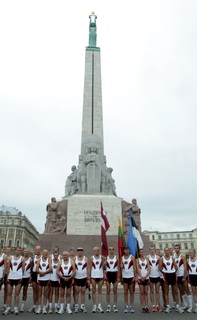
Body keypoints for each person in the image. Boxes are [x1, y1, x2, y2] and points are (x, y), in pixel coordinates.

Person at [159, 247, 183, 313]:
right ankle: (167, 306)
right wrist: (165, 272)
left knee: (175, 291)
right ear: (164, 251)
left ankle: (177, 305)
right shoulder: (162, 258)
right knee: (166, 292)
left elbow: (176, 267)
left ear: (169, 251)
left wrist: (173, 271)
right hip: (166, 275)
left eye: (167, 250)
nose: (166, 252)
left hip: (173, 275)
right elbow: (160, 268)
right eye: (165, 250)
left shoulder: (172, 258)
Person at [3, 246, 25, 315]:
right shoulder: (10, 258)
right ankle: (8, 308)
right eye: (17, 250)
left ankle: (15, 308)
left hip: (18, 278)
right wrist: (6, 277)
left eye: (19, 250)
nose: (18, 251)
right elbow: (7, 268)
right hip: (10, 277)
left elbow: (23, 269)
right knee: (9, 293)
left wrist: (20, 275)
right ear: (14, 251)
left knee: (17, 293)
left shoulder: (22, 258)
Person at [174, 244, 192, 312]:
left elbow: (185, 266)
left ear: (179, 249)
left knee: (187, 290)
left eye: (177, 248)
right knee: (181, 291)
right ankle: (185, 305)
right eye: (175, 248)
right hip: (177, 276)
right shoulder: (174, 256)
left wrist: (184, 276)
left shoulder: (183, 256)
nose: (176, 249)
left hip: (183, 275)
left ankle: (190, 306)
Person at [88, 246, 105, 313]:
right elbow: (89, 268)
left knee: (100, 291)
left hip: (100, 275)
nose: (96, 251)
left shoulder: (102, 258)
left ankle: (99, 306)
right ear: (93, 251)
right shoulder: (91, 258)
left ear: (99, 251)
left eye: (97, 250)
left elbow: (104, 268)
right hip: (93, 276)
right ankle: (94, 305)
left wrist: (104, 263)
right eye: (95, 250)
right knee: (94, 290)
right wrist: (88, 278)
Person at [147, 246, 163, 312]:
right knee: (151, 291)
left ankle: (157, 305)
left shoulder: (158, 257)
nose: (152, 251)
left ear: (155, 250)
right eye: (151, 249)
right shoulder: (147, 257)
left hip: (157, 275)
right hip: (150, 276)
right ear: (149, 250)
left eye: (153, 249)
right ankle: (153, 305)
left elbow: (161, 267)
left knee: (157, 291)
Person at [121, 246, 136, 313]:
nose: (126, 251)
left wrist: (135, 276)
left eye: (127, 250)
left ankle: (131, 306)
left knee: (131, 292)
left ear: (129, 250)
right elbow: (121, 268)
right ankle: (126, 306)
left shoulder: (132, 257)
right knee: (125, 292)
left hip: (131, 276)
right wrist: (120, 276)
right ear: (124, 251)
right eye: (125, 250)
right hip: (125, 277)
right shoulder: (122, 258)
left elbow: (135, 267)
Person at [36, 249, 52, 314]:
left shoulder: (49, 260)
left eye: (47, 253)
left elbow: (51, 269)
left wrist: (44, 273)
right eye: (45, 253)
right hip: (40, 279)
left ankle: (44, 307)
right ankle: (39, 307)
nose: (46, 254)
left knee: (45, 294)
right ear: (42, 253)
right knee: (39, 293)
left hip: (47, 278)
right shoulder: (39, 260)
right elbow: (36, 269)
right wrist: (41, 273)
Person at [73, 247, 89, 313]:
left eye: (81, 251)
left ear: (82, 252)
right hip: (76, 277)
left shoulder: (86, 259)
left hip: (84, 277)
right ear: (77, 252)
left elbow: (88, 269)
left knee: (83, 291)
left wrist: (88, 278)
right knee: (76, 291)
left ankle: (82, 306)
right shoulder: (74, 259)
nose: (79, 252)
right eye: (78, 251)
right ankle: (76, 306)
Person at [28, 245, 42, 313]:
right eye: (36, 250)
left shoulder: (42, 257)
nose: (37, 251)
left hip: (39, 274)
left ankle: (38, 305)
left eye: (38, 250)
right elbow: (31, 266)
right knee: (34, 290)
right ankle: (34, 306)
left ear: (40, 250)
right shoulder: (34, 257)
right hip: (34, 274)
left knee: (39, 291)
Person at [137, 249, 150, 313]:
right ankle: (142, 306)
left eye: (143, 252)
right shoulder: (137, 260)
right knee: (141, 292)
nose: (142, 253)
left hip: (146, 278)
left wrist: (145, 276)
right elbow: (137, 269)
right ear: (139, 253)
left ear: (144, 253)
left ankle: (146, 306)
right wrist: (141, 276)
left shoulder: (147, 260)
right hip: (140, 278)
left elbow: (149, 269)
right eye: (141, 252)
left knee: (146, 293)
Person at [105, 246, 118, 312]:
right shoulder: (106, 258)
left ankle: (115, 305)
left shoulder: (117, 257)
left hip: (115, 274)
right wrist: (104, 265)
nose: (111, 250)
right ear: (108, 250)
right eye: (110, 249)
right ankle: (108, 305)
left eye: (112, 249)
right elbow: (104, 268)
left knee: (115, 291)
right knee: (108, 291)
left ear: (114, 250)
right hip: (108, 274)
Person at [20, 248, 32, 312]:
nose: (26, 252)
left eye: (27, 251)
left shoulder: (31, 260)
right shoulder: (20, 258)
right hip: (19, 277)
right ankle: (16, 306)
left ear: (29, 253)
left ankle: (22, 305)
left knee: (25, 292)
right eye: (25, 251)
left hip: (26, 277)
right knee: (17, 292)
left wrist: (30, 277)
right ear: (23, 252)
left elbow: (32, 269)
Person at [187, 249, 197, 313]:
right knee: (194, 292)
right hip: (191, 276)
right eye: (189, 253)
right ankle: (196, 305)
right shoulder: (188, 260)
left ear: (194, 253)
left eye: (191, 253)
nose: (190, 254)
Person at [3, 246, 11, 310]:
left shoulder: (11, 258)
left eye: (9, 249)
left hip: (8, 275)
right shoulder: (3, 257)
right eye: (7, 249)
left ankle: (5, 304)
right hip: (2, 274)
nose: (8, 251)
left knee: (6, 290)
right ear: (5, 250)